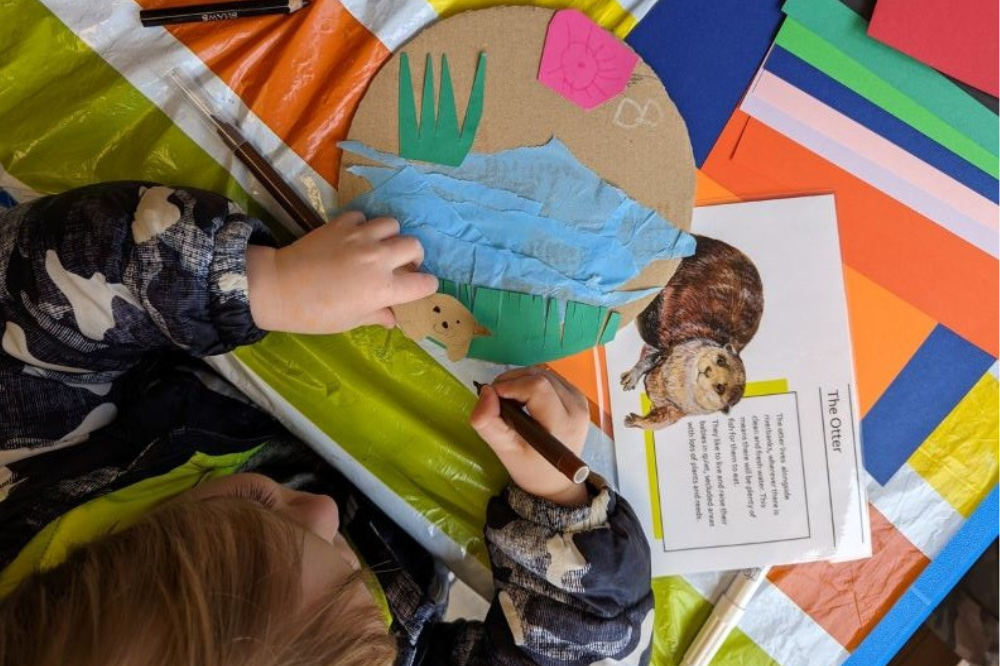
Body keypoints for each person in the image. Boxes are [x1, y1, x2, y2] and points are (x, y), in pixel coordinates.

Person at [0, 182, 654, 665]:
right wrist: (559, 503)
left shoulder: (26, 478)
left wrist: (263, 284)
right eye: (351, 580)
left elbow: (36, 285)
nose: (323, 512)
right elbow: (602, 647)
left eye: (260, 502)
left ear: (99, 551)